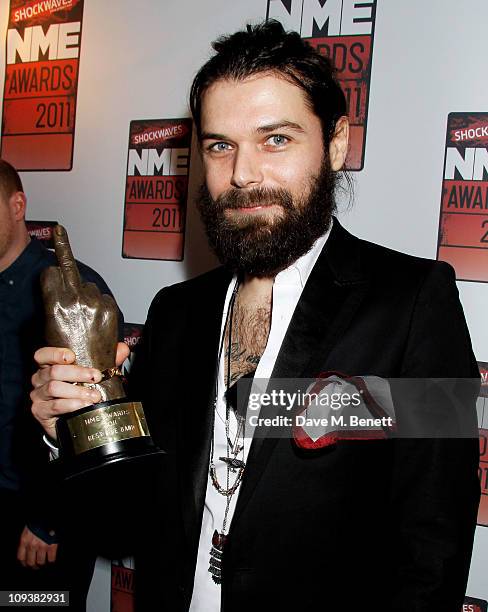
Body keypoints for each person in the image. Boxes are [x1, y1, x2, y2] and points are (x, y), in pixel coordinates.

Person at [30, 21, 480, 612]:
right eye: (220, 145)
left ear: (336, 143)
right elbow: (128, 524)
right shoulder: (176, 314)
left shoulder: (416, 301)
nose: (242, 174)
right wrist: (72, 428)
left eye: (276, 139)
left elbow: (434, 543)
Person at [0, 159, 123, 609]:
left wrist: (49, 519)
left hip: (41, 515)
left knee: (38, 605)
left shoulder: (72, 291)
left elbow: (93, 419)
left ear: (17, 206)